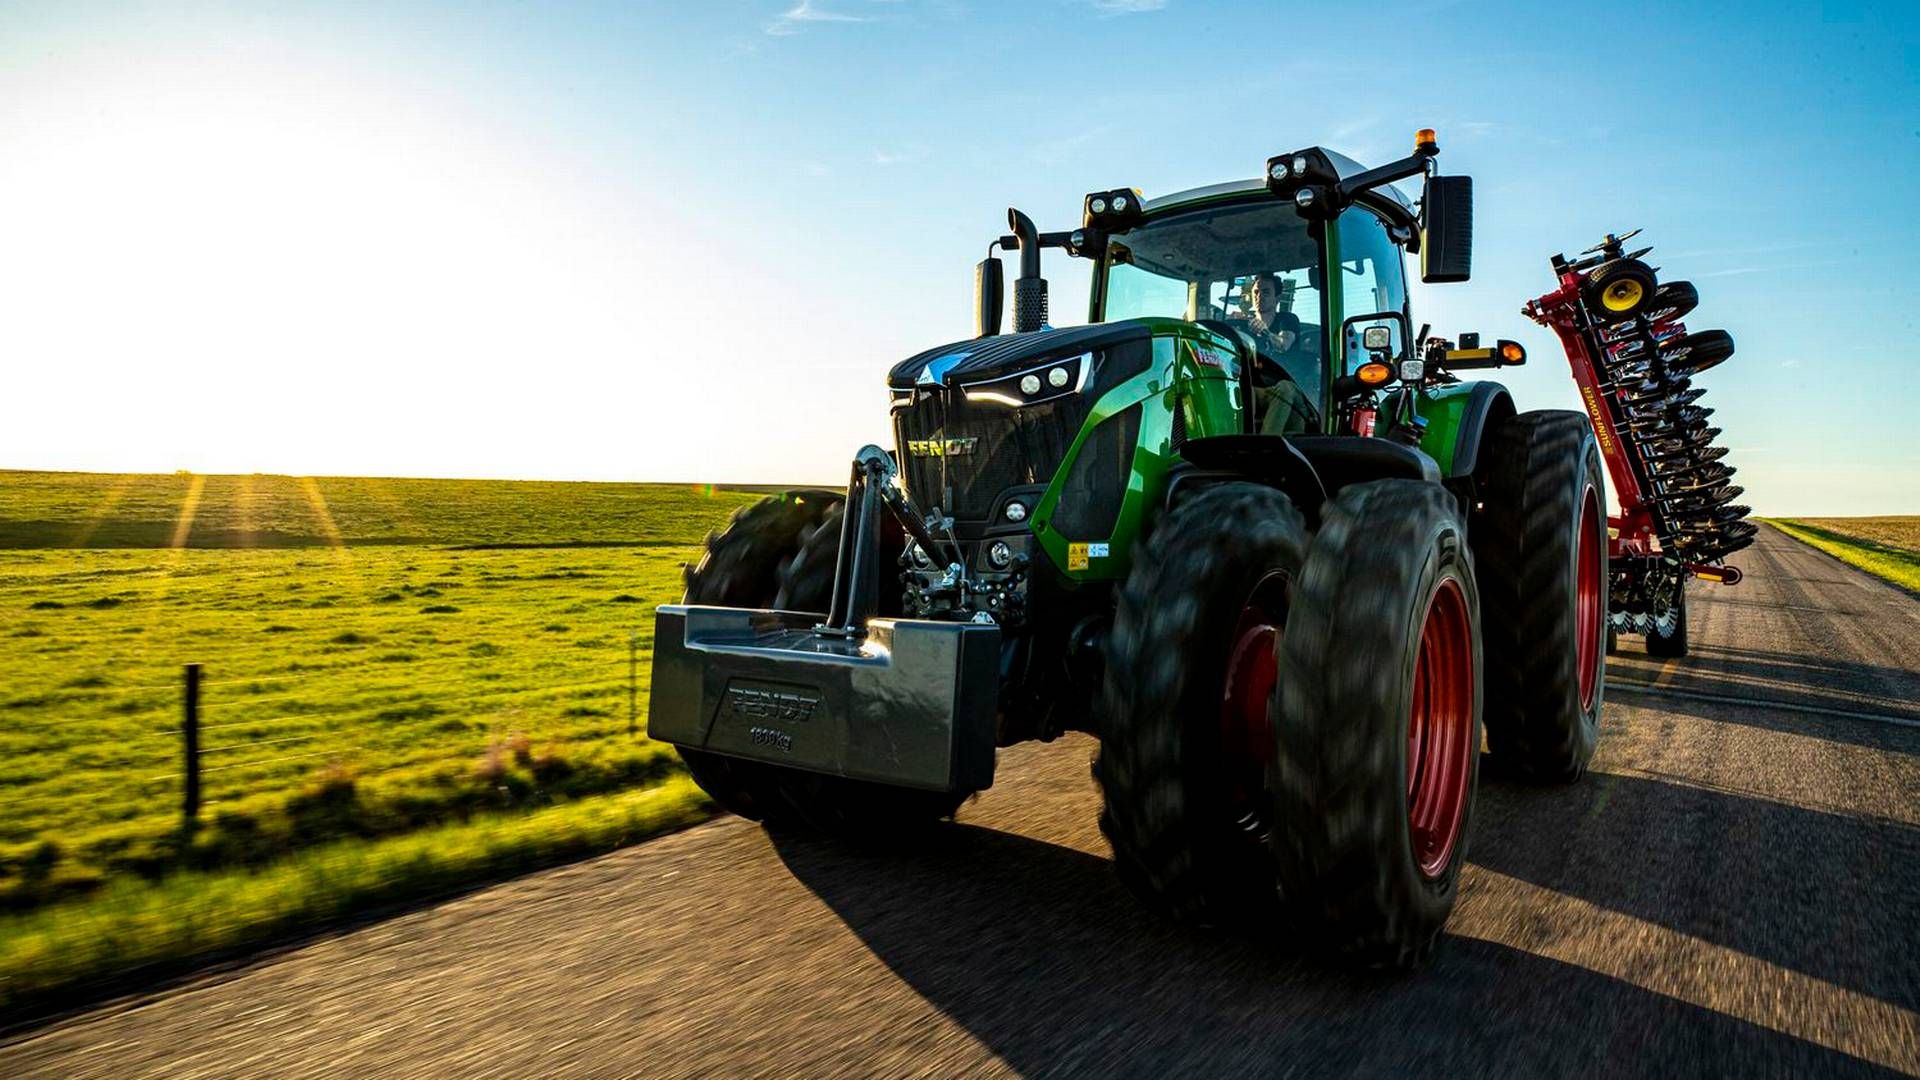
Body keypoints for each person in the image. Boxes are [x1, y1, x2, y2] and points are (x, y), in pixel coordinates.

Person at [1236, 274, 1321, 434]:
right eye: (1256, 292)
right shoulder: (1245, 328)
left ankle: (1264, 448)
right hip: (1259, 392)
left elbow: (1283, 345)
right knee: (1238, 388)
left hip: (1292, 396)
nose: (1259, 296)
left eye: (1266, 292)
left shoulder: (1287, 320)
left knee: (1285, 388)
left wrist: (1265, 332)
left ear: (1277, 298)